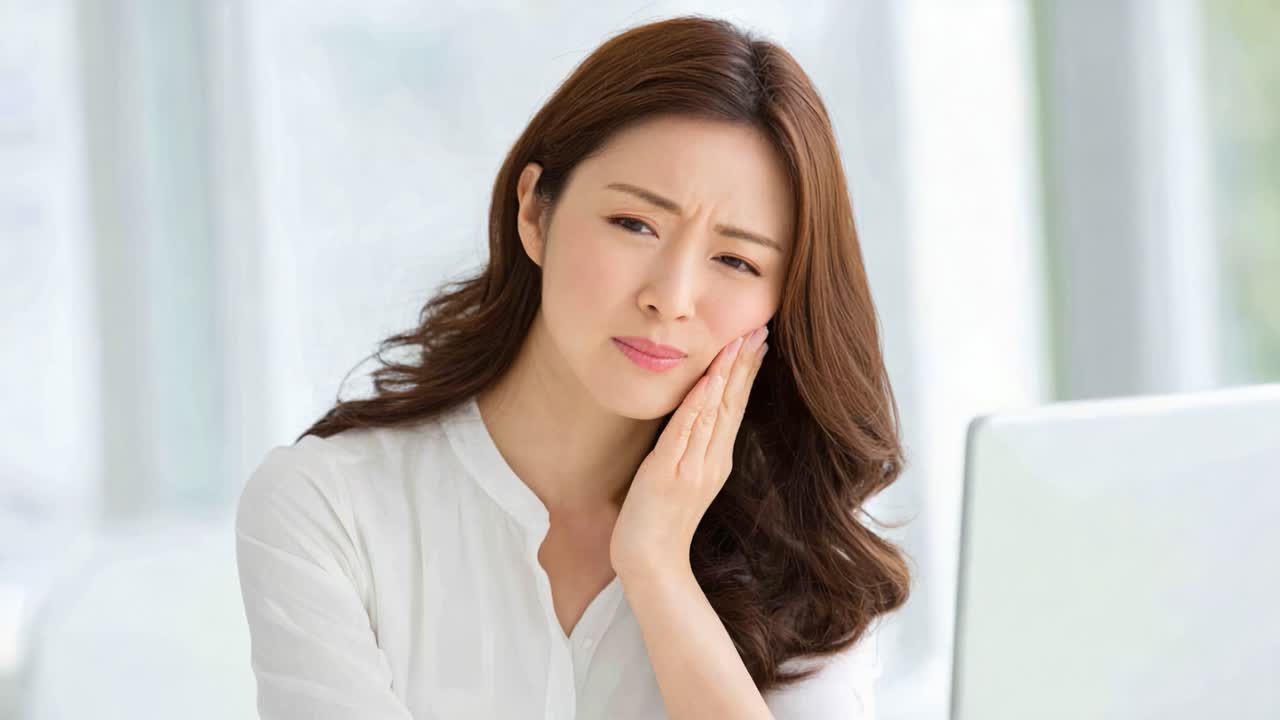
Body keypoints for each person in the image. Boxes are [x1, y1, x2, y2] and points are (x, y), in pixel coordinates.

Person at [235, 14, 911, 720]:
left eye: (736, 260)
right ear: (534, 211)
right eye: (635, 225)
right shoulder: (326, 509)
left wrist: (657, 569)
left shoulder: (804, 551)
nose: (670, 298)